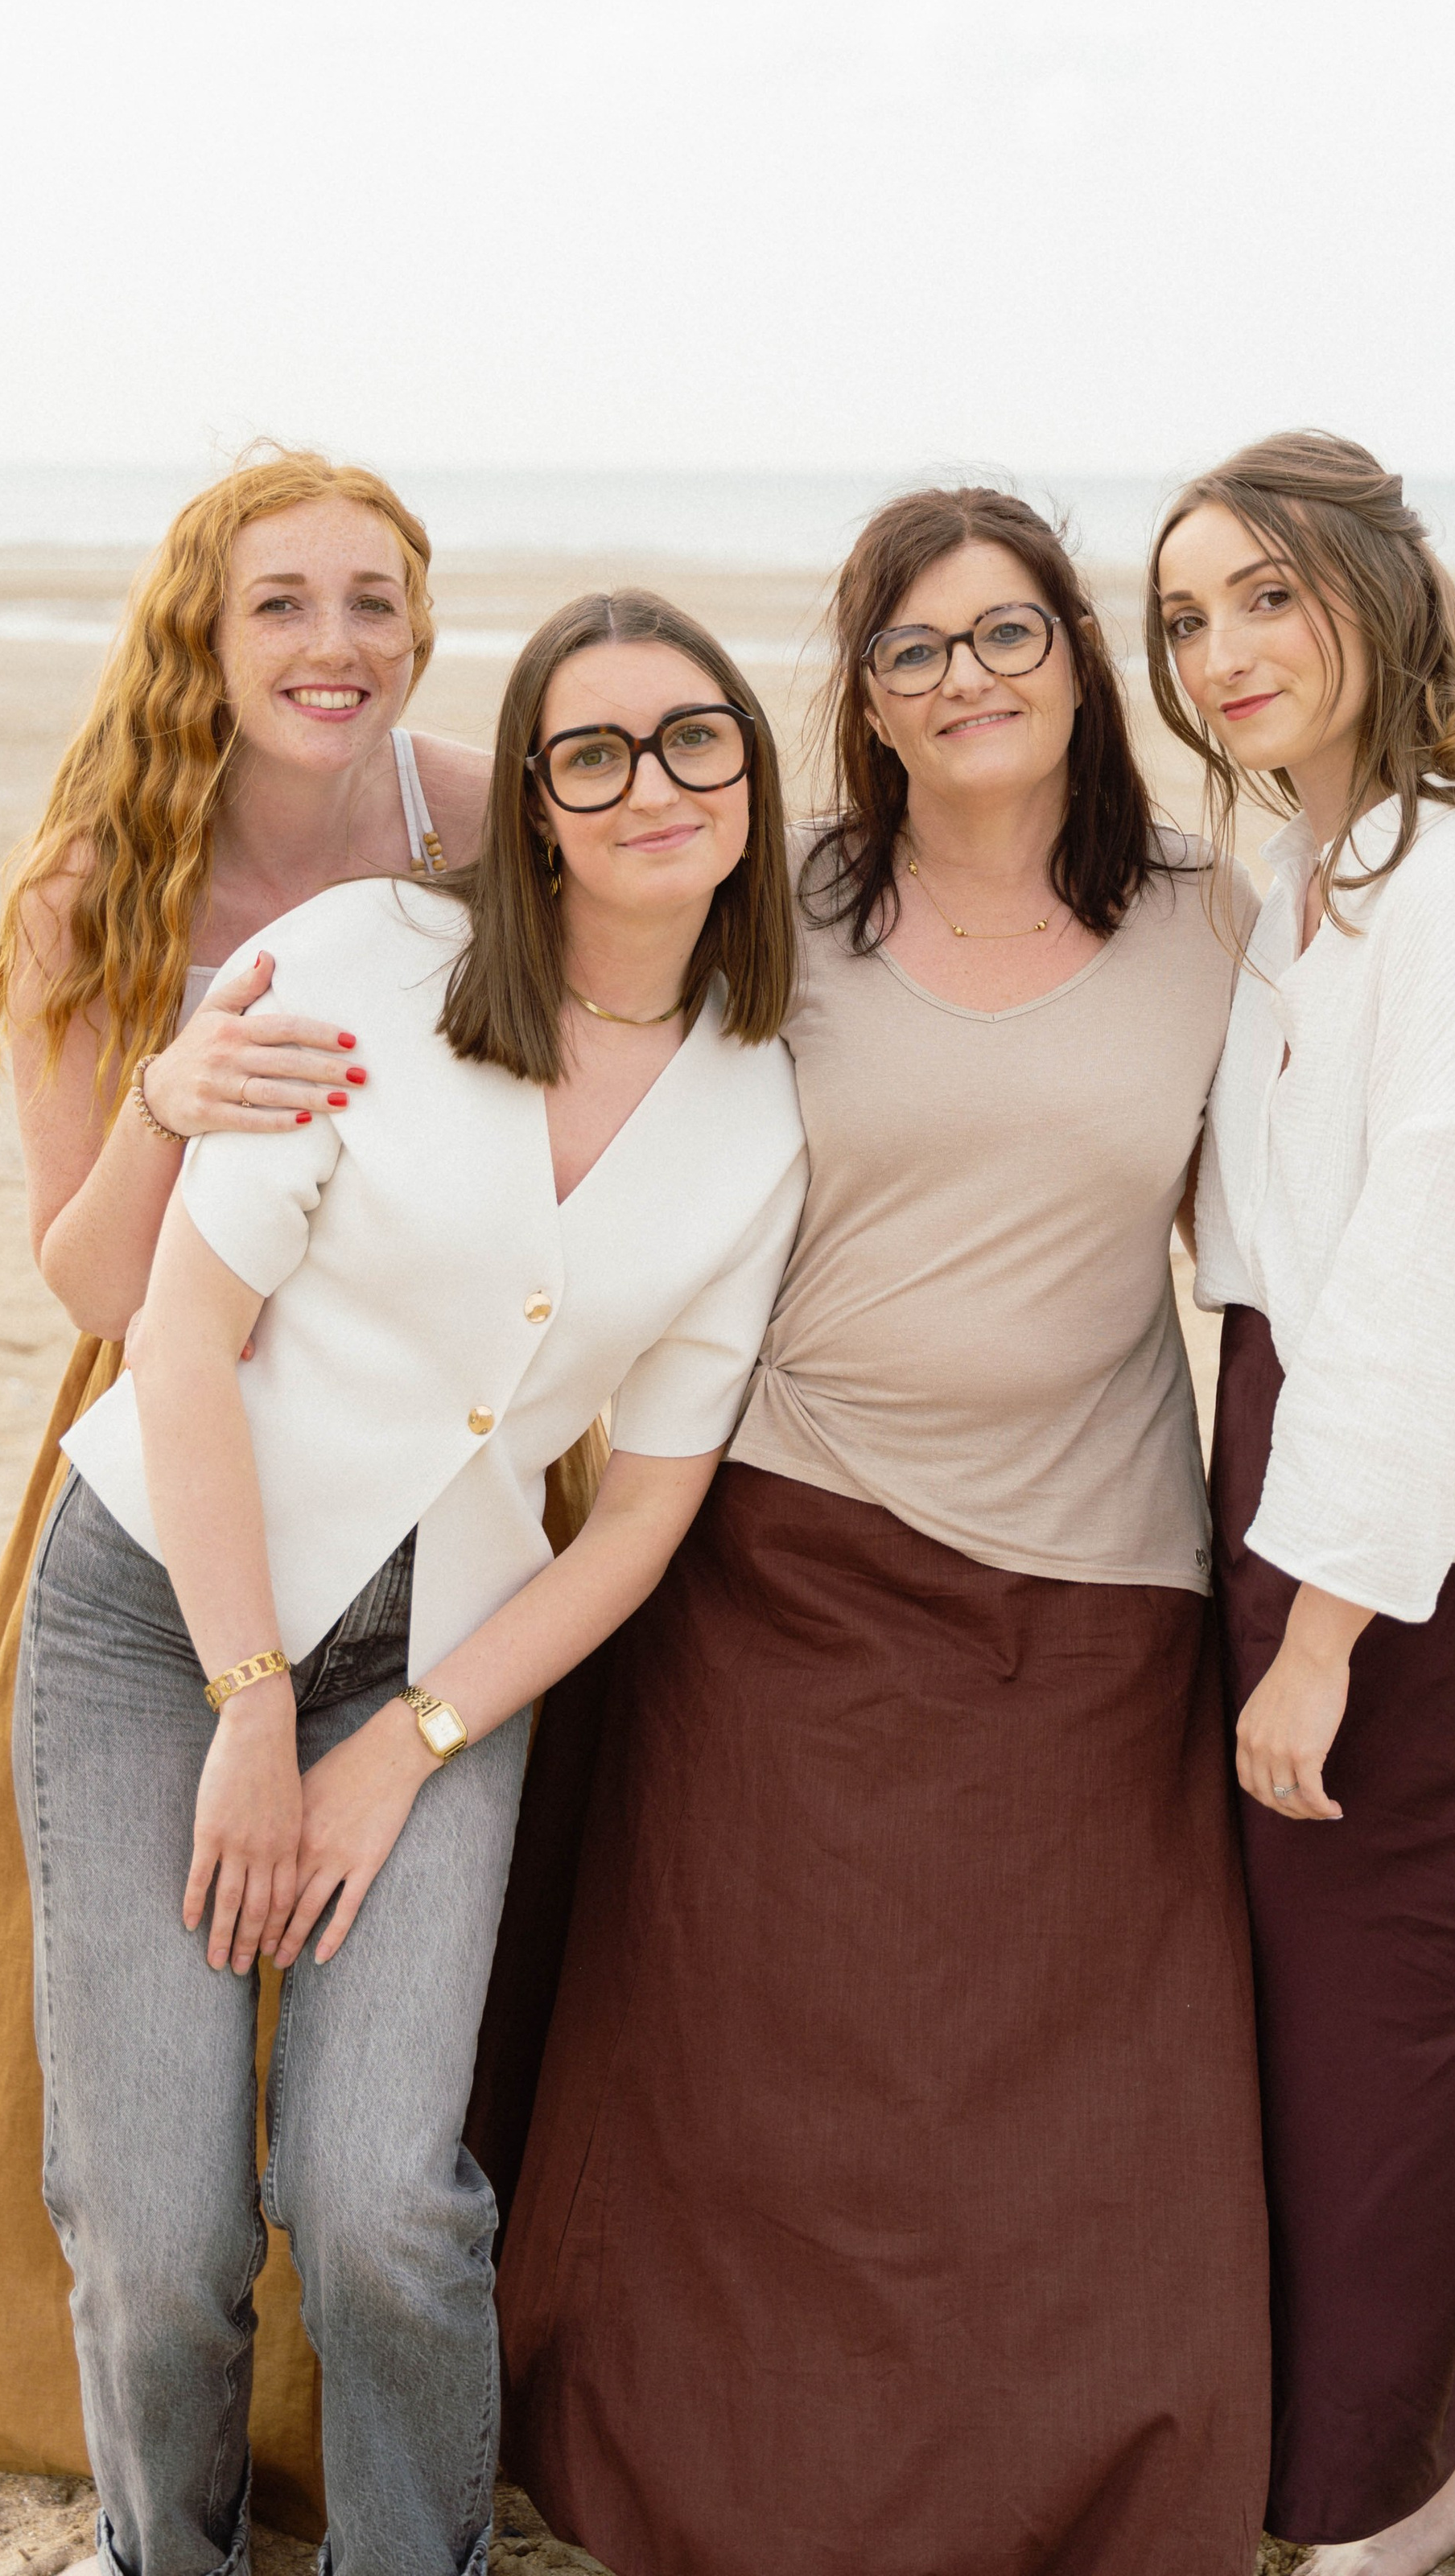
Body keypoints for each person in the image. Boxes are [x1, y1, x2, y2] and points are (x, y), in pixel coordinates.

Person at [498, 488, 1270, 2576]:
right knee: (756, 2103)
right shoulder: (791, 901)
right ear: (865, 699)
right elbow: (521, 948)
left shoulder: (1221, 919)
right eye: (916, 651)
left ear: (1080, 660)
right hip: (781, 1555)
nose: (968, 681)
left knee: (1088, 2118)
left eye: (1007, 635)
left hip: (1101, 1582)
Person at [25, 584, 804, 2576]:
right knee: (160, 2225)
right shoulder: (360, 964)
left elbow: (636, 1515)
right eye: (593, 751)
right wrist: (255, 1706)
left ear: (750, 773)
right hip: (160, 1622)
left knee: (379, 2212)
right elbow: (173, 1343)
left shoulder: (760, 1108)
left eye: (694, 739)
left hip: (445, 1661)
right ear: (527, 800)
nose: (651, 785)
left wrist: (404, 1743)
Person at [0, 447, 511, 2510]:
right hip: (181, 1470)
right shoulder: (102, 879)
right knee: (145, 2183)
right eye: (281, 603)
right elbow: (82, 1271)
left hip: (443, 1488)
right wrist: (164, 1098)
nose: (334, 644)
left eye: (371, 600)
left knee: (386, 2145)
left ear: (418, 620)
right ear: (202, 634)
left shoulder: (479, 821)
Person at [1148, 433, 1455, 2576]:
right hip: (1296, 1465)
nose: (1222, 649)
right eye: (1181, 618)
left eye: (1265, 594)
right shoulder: (1298, 872)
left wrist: (1324, 1633)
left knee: (1386, 2048)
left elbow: (1449, 1267)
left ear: (1373, 589)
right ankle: (1424, 2482)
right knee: (1346, 2038)